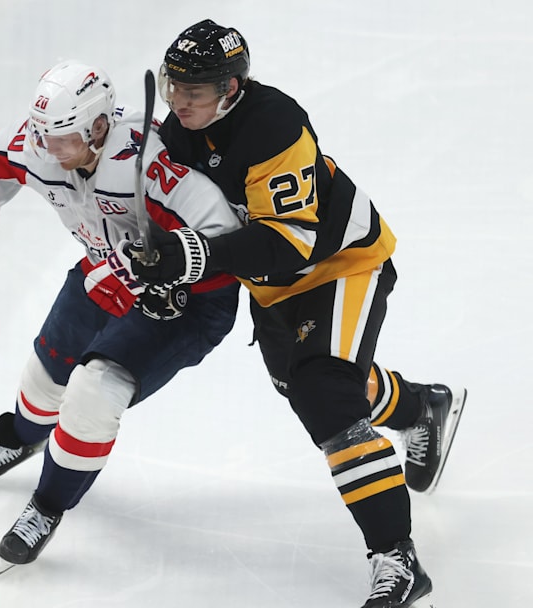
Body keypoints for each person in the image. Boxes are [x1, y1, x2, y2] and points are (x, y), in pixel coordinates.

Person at [125, 19, 467, 608]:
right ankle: (421, 406)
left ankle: (397, 557)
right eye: (173, 85)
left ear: (231, 88)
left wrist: (192, 258)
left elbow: (292, 242)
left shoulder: (273, 126)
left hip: (340, 265)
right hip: (273, 287)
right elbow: (187, 216)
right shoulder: (179, 132)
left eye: (194, 91)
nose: (179, 100)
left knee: (325, 396)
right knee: (317, 381)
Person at [0, 59, 243, 574]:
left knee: (92, 394)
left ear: (99, 128)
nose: (50, 152)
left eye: (64, 140)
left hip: (187, 303)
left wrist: (166, 267)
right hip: (104, 270)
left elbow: (227, 242)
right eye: (43, 136)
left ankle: (47, 506)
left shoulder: (149, 161)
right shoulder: (46, 141)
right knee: (45, 372)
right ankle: (28, 437)